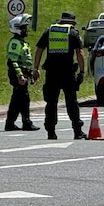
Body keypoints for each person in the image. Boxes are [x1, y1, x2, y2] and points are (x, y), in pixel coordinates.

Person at [32, 12, 87, 140]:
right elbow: (79, 53)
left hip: (52, 73)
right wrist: (82, 72)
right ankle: (77, 131)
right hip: (67, 72)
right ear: (72, 22)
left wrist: (36, 68)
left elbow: (39, 49)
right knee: (71, 102)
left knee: (51, 103)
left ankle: (51, 131)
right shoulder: (73, 33)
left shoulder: (49, 31)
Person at [5, 13, 40, 132]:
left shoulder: (22, 43)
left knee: (17, 99)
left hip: (23, 74)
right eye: (24, 28)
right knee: (24, 98)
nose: (26, 30)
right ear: (17, 28)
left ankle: (10, 123)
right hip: (17, 75)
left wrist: (30, 74)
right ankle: (26, 122)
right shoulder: (15, 43)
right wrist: (19, 75)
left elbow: (24, 61)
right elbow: (13, 61)